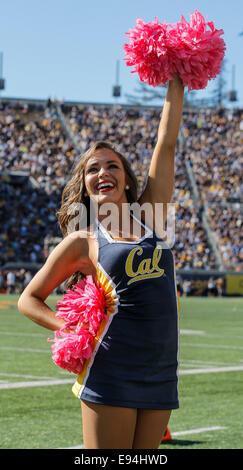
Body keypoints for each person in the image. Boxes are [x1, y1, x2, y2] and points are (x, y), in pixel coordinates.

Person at [18, 74, 184, 449]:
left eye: (111, 166)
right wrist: (71, 330)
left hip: (161, 368)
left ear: (126, 179)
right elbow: (28, 298)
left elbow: (167, 143)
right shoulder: (84, 240)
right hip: (111, 366)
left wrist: (177, 77)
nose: (102, 173)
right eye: (92, 169)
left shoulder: (152, 216)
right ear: (87, 185)